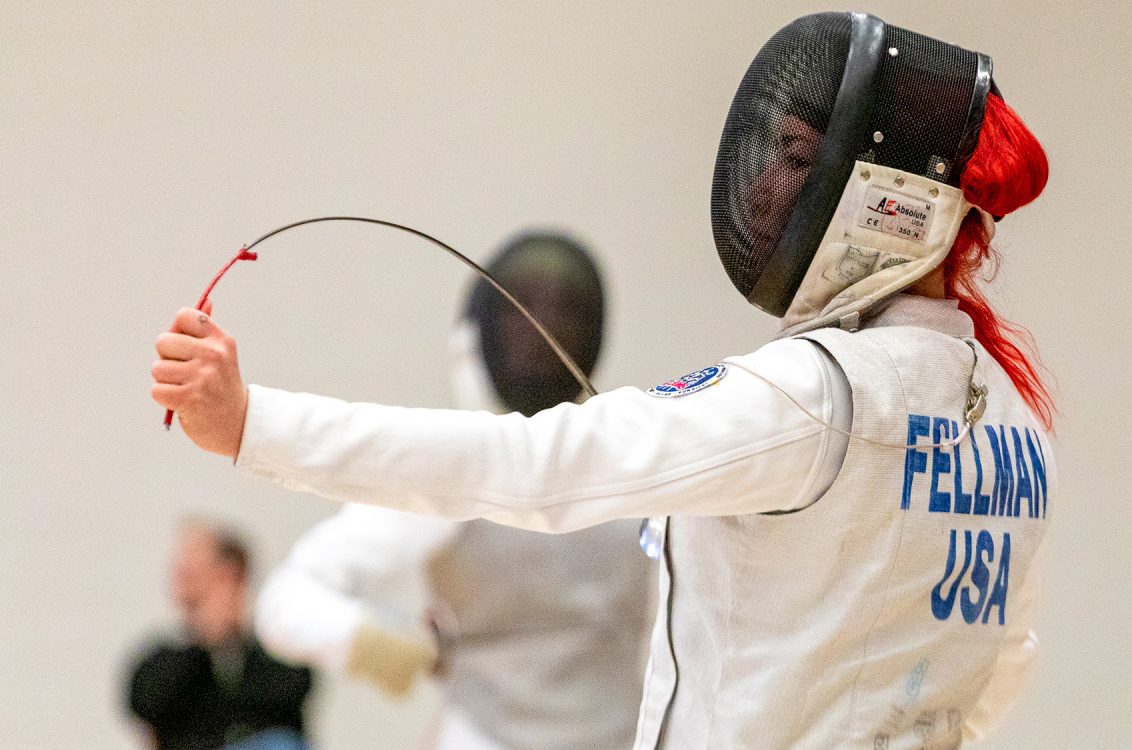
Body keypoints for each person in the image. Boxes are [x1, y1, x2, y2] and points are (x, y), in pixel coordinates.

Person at [152, 11, 1057, 749]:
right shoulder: (1017, 427)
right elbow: (1004, 662)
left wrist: (250, 424)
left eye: (796, 154)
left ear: (883, 197)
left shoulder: (818, 398)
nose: (768, 183)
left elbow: (538, 465)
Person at [253, 232, 652, 750]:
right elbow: (287, 602)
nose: (539, 333)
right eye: (521, 318)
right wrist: (387, 644)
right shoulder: (470, 471)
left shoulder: (627, 459)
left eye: (558, 317)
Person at [124, 520, 312, 750]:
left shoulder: (274, 650)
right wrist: (204, 636)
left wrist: (234, 631)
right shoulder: (164, 658)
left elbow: (293, 691)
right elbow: (145, 704)